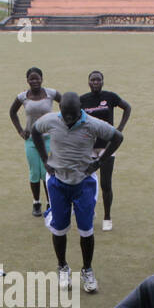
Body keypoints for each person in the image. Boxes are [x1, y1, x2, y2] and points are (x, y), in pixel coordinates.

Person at [32, 93, 123, 294]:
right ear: (61, 110)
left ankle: (87, 270)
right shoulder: (52, 120)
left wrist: (99, 162)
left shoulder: (92, 123)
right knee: (59, 228)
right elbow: (35, 130)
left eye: (72, 114)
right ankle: (62, 267)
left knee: (86, 230)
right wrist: (44, 159)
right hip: (57, 182)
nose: (69, 118)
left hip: (84, 183)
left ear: (79, 109)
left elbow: (117, 137)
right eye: (65, 114)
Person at [79, 71, 132, 231]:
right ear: (88, 82)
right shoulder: (82, 100)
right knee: (86, 182)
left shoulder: (110, 97)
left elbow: (127, 107)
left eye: (98, 80)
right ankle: (89, 211)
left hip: (107, 147)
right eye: (92, 80)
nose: (95, 82)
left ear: (102, 82)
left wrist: (120, 128)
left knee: (105, 183)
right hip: (88, 147)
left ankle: (107, 217)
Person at [8, 68, 60, 216]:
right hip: (31, 140)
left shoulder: (51, 93)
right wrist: (20, 130)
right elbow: (12, 112)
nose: (34, 81)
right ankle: (36, 202)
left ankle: (51, 202)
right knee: (34, 172)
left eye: (37, 78)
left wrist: (60, 123)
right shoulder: (23, 97)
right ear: (27, 81)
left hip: (48, 138)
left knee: (48, 171)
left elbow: (66, 104)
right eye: (31, 79)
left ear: (42, 79)